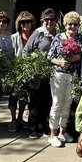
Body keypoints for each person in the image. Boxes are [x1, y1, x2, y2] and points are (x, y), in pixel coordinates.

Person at [46, 11, 82, 147]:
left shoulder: (79, 39)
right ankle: (52, 134)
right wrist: (60, 62)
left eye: (75, 24)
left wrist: (78, 57)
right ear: (65, 25)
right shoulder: (58, 38)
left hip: (72, 75)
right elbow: (49, 57)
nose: (72, 27)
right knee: (57, 103)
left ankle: (63, 131)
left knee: (67, 104)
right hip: (59, 74)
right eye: (69, 24)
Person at [24, 8, 58, 139]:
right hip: (37, 73)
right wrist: (31, 67)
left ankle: (41, 125)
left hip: (51, 74)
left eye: (52, 19)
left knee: (46, 101)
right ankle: (31, 126)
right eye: (47, 19)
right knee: (34, 101)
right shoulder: (39, 33)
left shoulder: (57, 34)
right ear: (43, 20)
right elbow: (26, 50)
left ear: (55, 21)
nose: (49, 22)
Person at [8, 11, 36, 132]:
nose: (26, 24)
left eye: (28, 22)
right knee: (14, 96)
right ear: (19, 24)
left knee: (24, 96)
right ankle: (13, 120)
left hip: (29, 71)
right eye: (23, 22)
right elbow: (9, 54)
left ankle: (20, 118)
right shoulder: (14, 37)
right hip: (15, 71)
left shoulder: (35, 37)